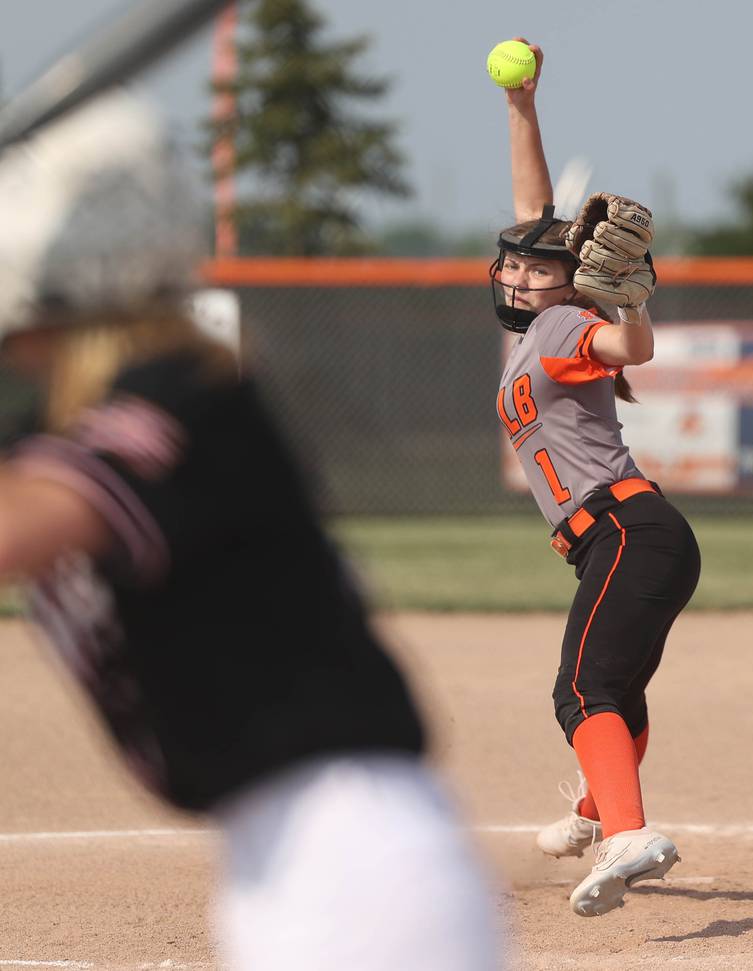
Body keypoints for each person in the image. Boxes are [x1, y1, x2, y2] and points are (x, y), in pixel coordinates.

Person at [0, 92, 501, 969]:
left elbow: (24, 524)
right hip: (282, 861)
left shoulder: (186, 404)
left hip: (352, 858)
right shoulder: (71, 423)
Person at [491, 41, 701, 917]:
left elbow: (630, 346)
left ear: (570, 285)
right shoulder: (533, 327)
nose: (518, 270)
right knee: (617, 688)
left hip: (626, 529)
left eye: (539, 267)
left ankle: (626, 831)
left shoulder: (568, 325)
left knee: (582, 688)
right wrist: (522, 107)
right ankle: (595, 807)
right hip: (625, 540)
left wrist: (631, 298)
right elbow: (535, 208)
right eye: (514, 262)